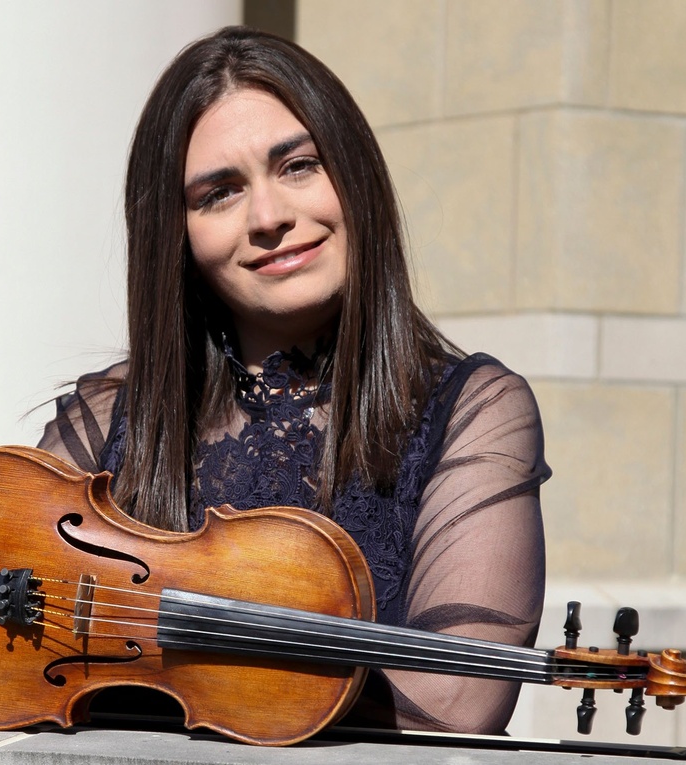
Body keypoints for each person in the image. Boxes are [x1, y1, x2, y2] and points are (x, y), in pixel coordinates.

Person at [38, 26, 548, 735]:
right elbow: (1, 637)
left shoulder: (473, 411)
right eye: (219, 193)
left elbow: (456, 700)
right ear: (176, 238)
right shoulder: (106, 420)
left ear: (354, 175)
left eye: (299, 165)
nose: (270, 217)